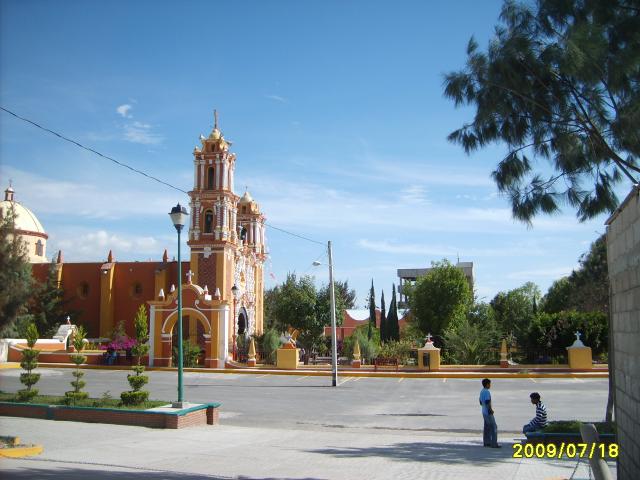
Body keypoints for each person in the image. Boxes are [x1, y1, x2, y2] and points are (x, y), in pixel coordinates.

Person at [479, 378, 500, 447]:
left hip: (484, 411)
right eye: (489, 384)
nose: (490, 385)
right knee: (493, 427)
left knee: (487, 427)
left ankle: (486, 442)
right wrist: (490, 409)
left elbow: (480, 402)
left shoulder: (482, 391)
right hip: (488, 412)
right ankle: (494, 443)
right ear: (487, 384)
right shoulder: (487, 392)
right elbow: (487, 401)